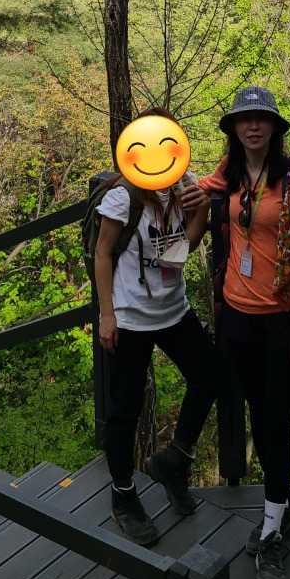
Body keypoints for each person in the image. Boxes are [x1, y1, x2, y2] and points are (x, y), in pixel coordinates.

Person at [181, 86, 290, 579]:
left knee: (275, 423)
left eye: (261, 119)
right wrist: (132, 175)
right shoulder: (225, 174)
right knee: (258, 417)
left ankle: (269, 534)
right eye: (243, 119)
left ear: (274, 127)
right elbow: (180, 182)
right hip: (237, 318)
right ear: (233, 128)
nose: (252, 126)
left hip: (285, 321)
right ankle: (282, 507)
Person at [94, 109, 218, 544]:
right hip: (130, 317)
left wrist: (202, 209)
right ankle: (123, 495)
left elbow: (184, 249)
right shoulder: (123, 197)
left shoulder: (186, 185)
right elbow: (103, 254)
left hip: (173, 309)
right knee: (124, 408)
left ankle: (174, 460)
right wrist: (107, 314)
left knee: (210, 375)